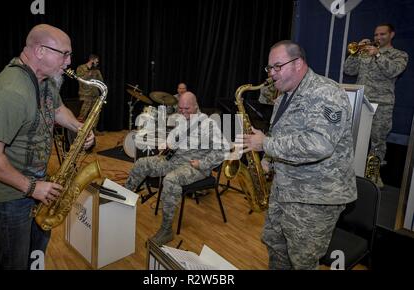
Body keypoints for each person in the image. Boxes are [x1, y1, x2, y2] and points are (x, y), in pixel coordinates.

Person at [0, 24, 95, 270]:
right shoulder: (11, 92)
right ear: (40, 51)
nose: (69, 61)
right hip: (10, 196)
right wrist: (32, 188)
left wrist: (78, 128)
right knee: (13, 263)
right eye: (65, 54)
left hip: (36, 184)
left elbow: (57, 109)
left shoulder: (46, 79)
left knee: (34, 256)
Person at [237, 40, 357, 270]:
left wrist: (266, 145)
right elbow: (279, 135)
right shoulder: (284, 96)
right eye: (269, 68)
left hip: (316, 198)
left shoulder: (325, 92)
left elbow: (320, 144)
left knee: (302, 261)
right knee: (275, 246)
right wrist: (266, 163)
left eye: (277, 66)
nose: (272, 74)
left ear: (298, 63)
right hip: (286, 190)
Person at [125, 92, 228, 246]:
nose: (183, 111)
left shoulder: (208, 124)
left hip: (195, 166)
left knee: (171, 180)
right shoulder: (182, 120)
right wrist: (168, 144)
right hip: (174, 160)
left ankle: (166, 230)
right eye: (180, 108)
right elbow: (175, 139)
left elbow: (222, 150)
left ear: (195, 105)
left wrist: (203, 163)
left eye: (186, 108)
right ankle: (123, 200)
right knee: (141, 163)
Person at [344, 23, 408, 187]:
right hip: (360, 102)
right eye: (376, 35)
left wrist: (378, 54)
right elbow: (348, 70)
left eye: (382, 34)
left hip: (382, 105)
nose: (378, 38)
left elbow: (393, 71)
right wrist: (357, 52)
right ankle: (350, 172)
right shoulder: (365, 53)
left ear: (391, 35)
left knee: (378, 141)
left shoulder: (399, 55)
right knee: (353, 137)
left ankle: (372, 176)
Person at [77, 54, 104, 135]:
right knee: (83, 114)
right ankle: (79, 130)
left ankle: (93, 130)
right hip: (85, 95)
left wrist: (97, 72)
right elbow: (80, 79)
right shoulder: (81, 68)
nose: (97, 63)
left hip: (95, 94)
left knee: (95, 113)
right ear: (92, 60)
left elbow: (101, 81)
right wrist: (90, 72)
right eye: (97, 61)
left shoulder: (96, 70)